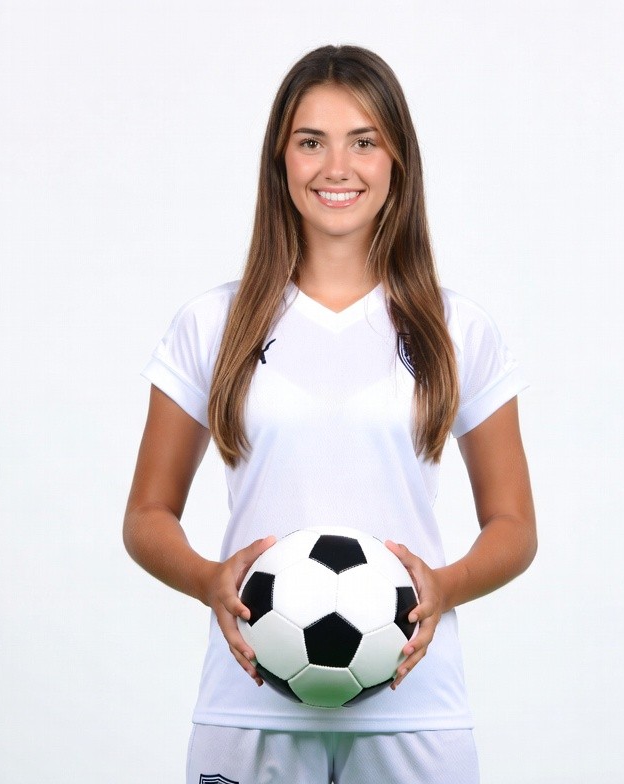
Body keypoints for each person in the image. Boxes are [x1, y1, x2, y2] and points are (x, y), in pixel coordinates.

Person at [123, 44, 536, 784]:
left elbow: (515, 527)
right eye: (311, 141)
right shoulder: (213, 324)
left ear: (397, 161)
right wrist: (208, 576)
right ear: (280, 160)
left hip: (414, 702)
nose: (336, 166)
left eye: (364, 140)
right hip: (249, 700)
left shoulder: (456, 329)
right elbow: (147, 514)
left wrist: (445, 586)